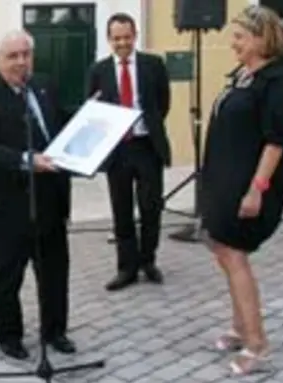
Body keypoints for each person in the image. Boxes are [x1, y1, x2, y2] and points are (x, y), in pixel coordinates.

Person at [0, 30, 75, 360]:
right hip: (7, 203)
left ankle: (55, 331)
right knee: (6, 274)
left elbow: (62, 124)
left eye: (26, 54)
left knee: (55, 271)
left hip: (50, 197)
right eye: (12, 56)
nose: (21, 62)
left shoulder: (44, 86)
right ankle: (9, 335)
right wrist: (26, 160)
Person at [201, 5, 283, 375]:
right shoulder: (244, 74)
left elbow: (275, 143)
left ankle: (258, 345)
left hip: (250, 184)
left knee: (234, 254)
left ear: (260, 38)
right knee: (222, 251)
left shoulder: (276, 83)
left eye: (240, 36)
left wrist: (257, 190)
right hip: (225, 180)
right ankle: (240, 328)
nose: (234, 43)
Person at [86, 13, 171, 291]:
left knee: (151, 208)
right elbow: (93, 108)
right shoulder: (98, 71)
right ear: (109, 39)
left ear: (135, 36)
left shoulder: (154, 65)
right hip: (117, 150)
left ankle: (148, 260)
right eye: (117, 38)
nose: (122, 43)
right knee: (121, 210)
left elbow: (162, 103)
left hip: (147, 146)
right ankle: (127, 267)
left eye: (127, 37)